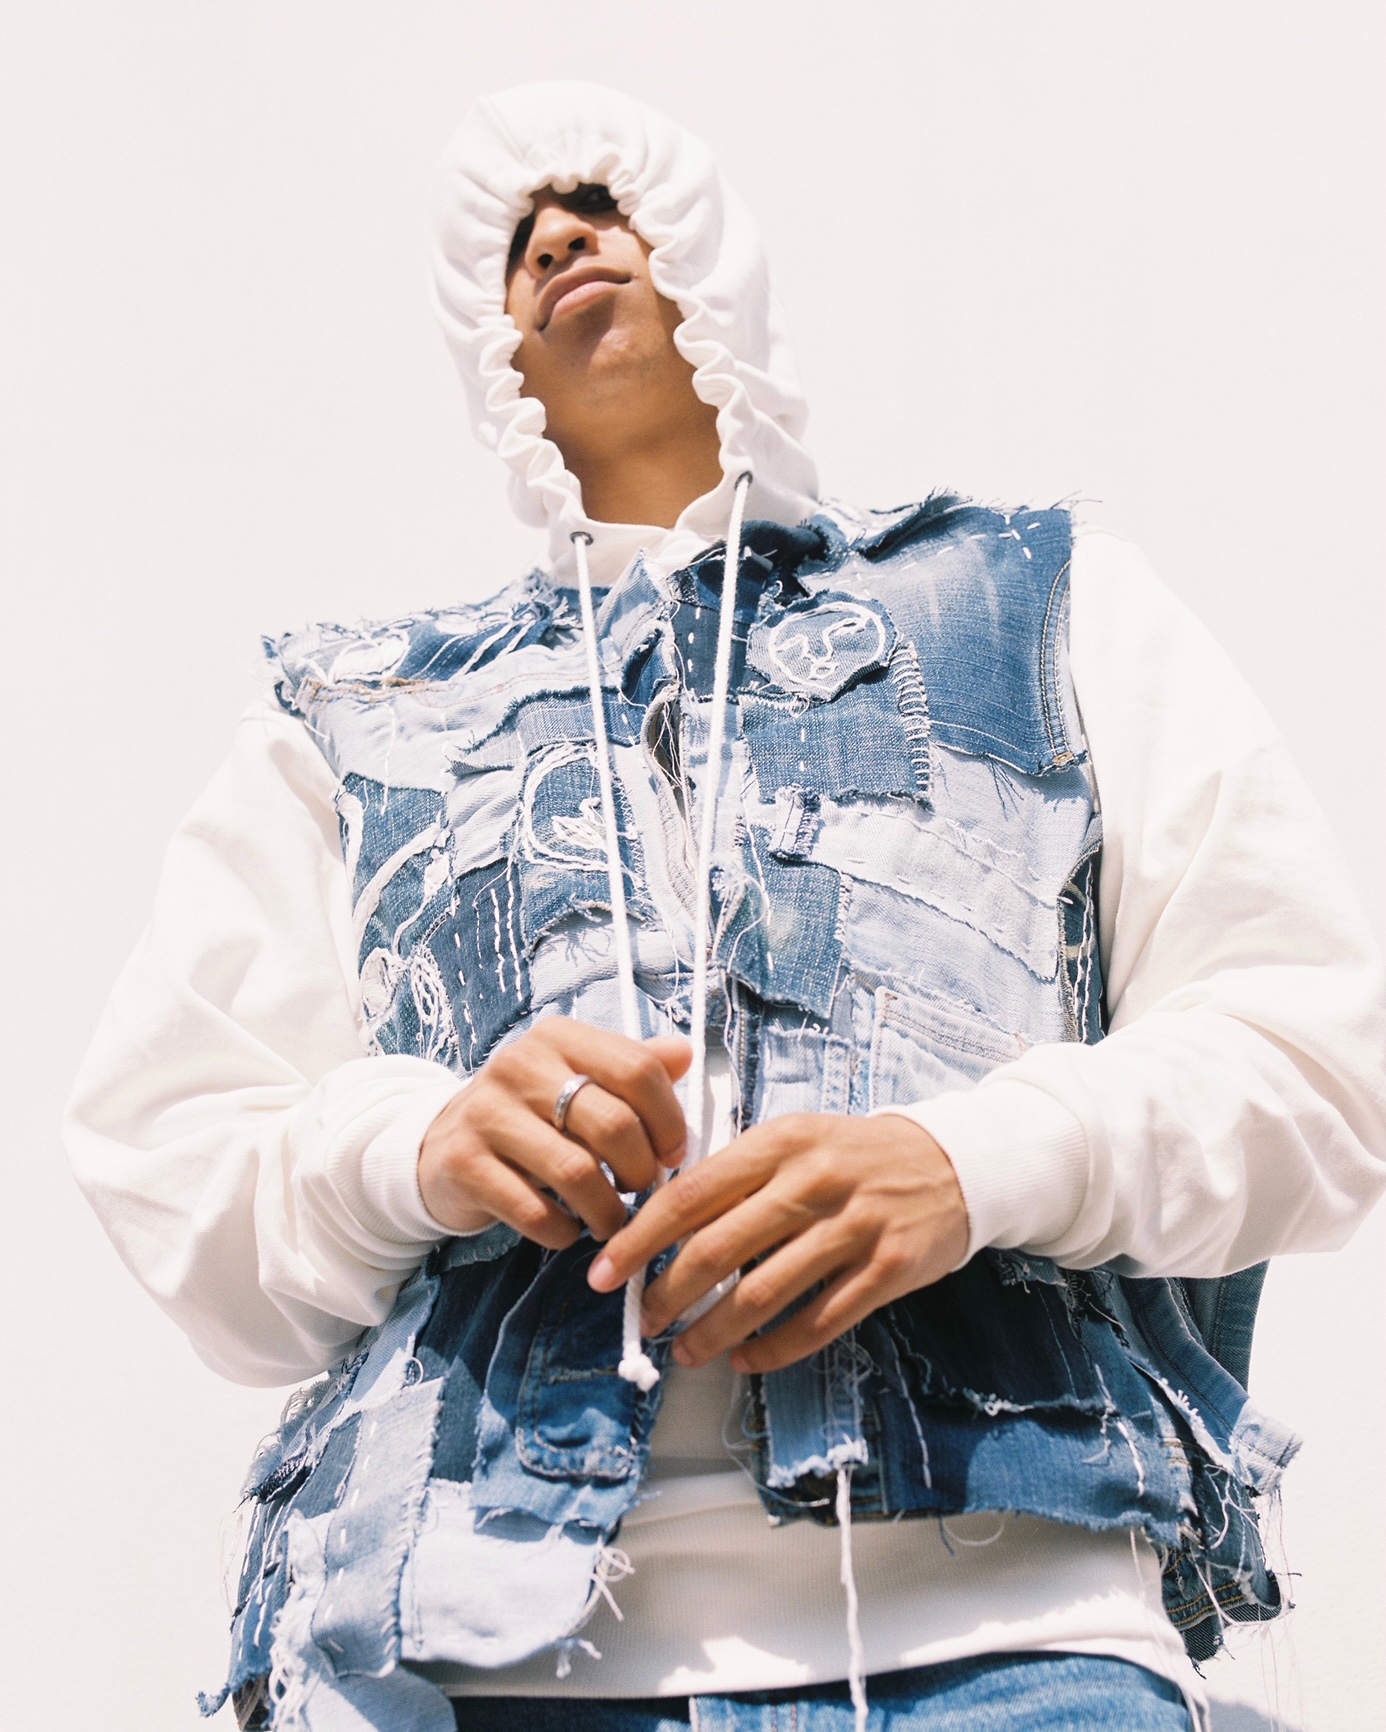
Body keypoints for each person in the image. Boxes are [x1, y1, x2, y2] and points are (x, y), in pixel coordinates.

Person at [66, 81, 1386, 1732]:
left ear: (715, 250)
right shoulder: (354, 717)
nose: (559, 238)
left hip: (1020, 1647)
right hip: (479, 1669)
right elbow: (166, 1151)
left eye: (603, 201)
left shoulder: (1040, 602)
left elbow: (1311, 1057)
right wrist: (412, 1145)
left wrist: (972, 1165)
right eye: (516, 237)